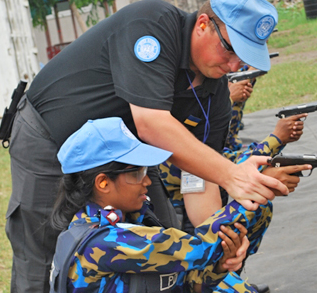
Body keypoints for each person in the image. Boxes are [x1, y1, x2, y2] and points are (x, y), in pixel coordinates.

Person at [4, 0, 289, 291]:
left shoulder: (214, 99)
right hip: (49, 138)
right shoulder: (153, 24)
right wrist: (233, 175)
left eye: (244, 59)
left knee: (161, 236)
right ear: (203, 24)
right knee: (41, 253)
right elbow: (151, 124)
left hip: (130, 156)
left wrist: (221, 246)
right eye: (230, 49)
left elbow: (198, 182)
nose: (234, 67)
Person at [50, 117, 274, 293]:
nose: (147, 181)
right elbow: (200, 246)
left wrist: (219, 267)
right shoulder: (106, 241)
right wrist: (256, 189)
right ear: (103, 182)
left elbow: (184, 284)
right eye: (138, 173)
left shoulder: (96, 225)